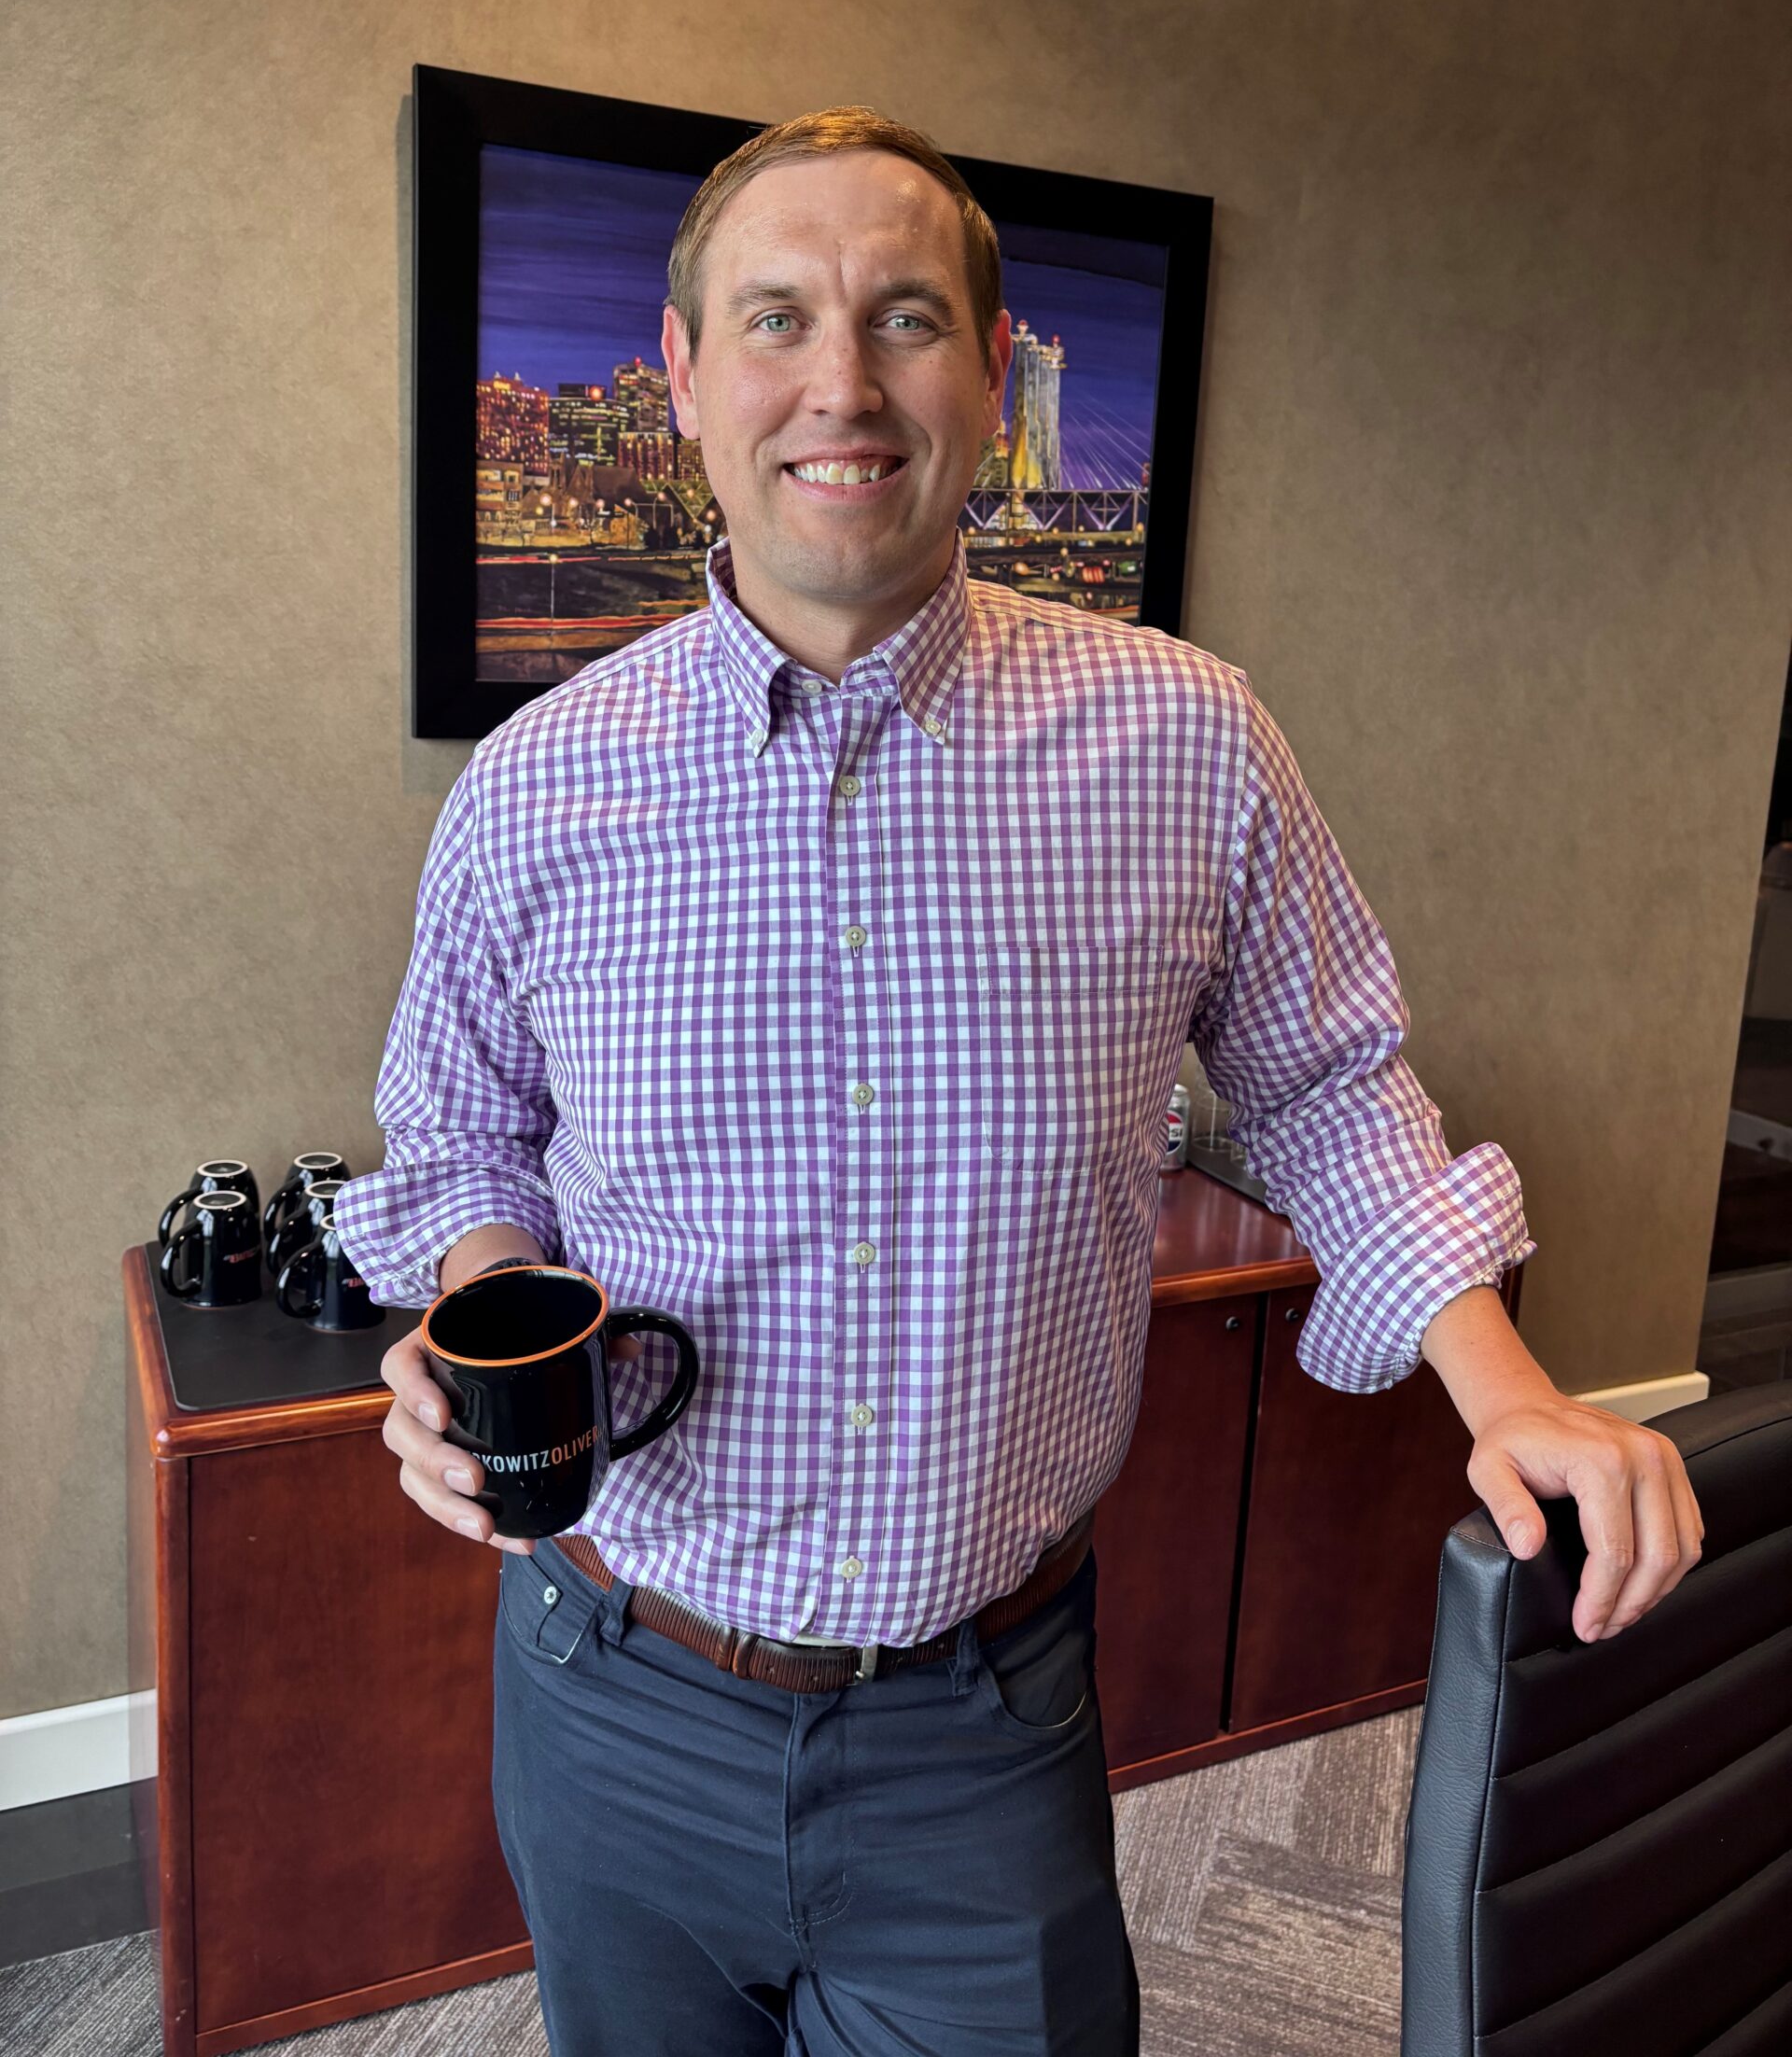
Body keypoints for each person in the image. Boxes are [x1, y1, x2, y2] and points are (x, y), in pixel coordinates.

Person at [335, 106, 1705, 2057]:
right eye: (778, 318)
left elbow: (1328, 1084)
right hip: (610, 1683)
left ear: (991, 372)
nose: (840, 382)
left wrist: (1512, 1389)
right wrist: (484, 1316)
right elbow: (466, 1133)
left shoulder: (1187, 739)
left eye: (903, 318)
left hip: (982, 1718)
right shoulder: (534, 787)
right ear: (686, 376)